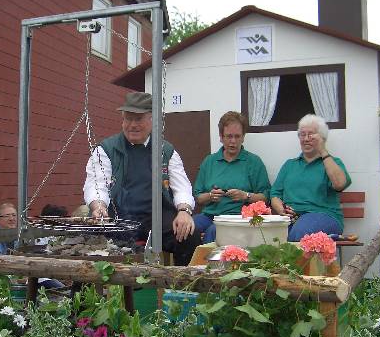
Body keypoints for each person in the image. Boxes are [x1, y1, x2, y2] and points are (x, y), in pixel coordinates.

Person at [83, 92, 200, 266]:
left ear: (152, 121)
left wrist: (184, 211)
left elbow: (181, 186)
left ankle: (180, 287)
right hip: (118, 217)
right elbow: (97, 184)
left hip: (157, 218)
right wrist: (98, 206)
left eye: (138, 119)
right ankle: (87, 291)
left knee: (189, 234)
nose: (132, 125)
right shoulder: (105, 150)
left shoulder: (166, 151)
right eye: (128, 119)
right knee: (85, 237)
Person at [270, 114, 351, 242]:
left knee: (300, 232)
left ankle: (295, 262)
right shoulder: (290, 165)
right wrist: (281, 209)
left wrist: (323, 151)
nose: (306, 139)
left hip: (324, 215)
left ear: (322, 138)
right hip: (292, 219)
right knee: (270, 237)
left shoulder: (332, 162)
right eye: (302, 135)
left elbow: (340, 184)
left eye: (311, 134)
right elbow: (275, 194)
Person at [193, 111, 270, 243]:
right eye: (228, 136)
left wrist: (245, 196)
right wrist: (211, 196)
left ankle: (208, 263)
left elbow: (265, 197)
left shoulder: (253, 162)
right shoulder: (210, 161)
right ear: (221, 137)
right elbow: (198, 198)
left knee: (214, 231)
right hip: (209, 215)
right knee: (188, 226)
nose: (233, 141)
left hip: (239, 218)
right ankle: (185, 263)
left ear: (243, 137)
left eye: (237, 136)